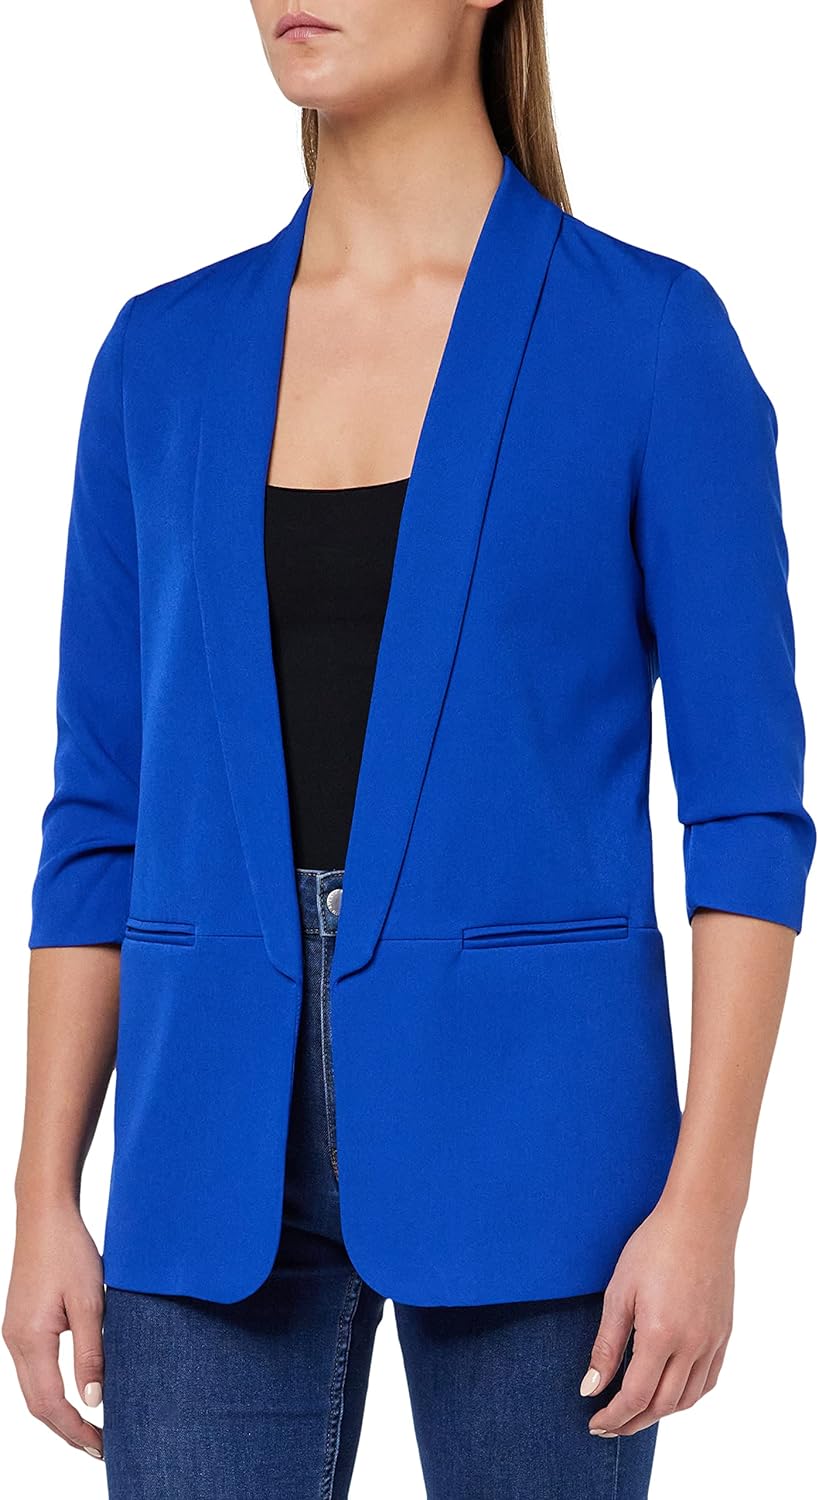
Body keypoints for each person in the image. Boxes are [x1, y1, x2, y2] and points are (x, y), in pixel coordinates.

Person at [4, 2, 814, 1496]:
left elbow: (748, 812)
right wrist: (42, 1191)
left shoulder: (648, 338)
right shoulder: (158, 358)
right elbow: (98, 813)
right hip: (200, 1147)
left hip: (545, 1148)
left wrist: (707, 1201)